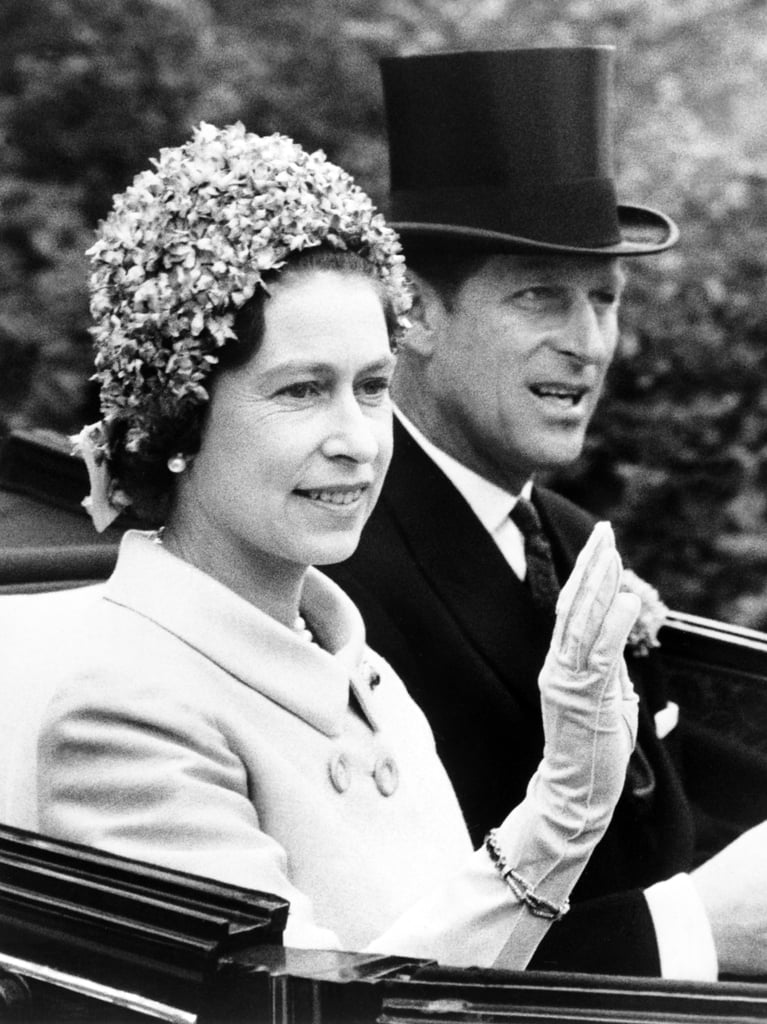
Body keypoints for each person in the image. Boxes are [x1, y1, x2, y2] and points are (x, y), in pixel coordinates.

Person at [34, 122, 640, 968]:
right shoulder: (128, 715)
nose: (357, 437)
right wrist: (561, 809)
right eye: (302, 390)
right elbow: (315, 1008)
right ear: (182, 417)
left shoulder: (359, 671)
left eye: (370, 387)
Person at [326, 47, 767, 979]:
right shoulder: (334, 561)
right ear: (413, 316)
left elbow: (652, 819)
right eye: (540, 296)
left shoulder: (562, 535)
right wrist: (694, 930)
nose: (587, 345)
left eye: (603, 300)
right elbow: (396, 959)